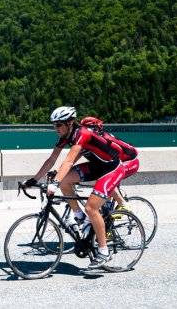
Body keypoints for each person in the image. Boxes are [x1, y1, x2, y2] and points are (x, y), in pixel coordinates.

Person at [24, 106, 125, 269]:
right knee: (65, 181)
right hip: (95, 166)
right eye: (54, 125)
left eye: (59, 125)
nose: (56, 128)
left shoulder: (81, 134)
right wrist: (33, 180)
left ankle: (104, 252)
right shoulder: (65, 136)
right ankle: (80, 217)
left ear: (70, 122)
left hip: (111, 168)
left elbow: (69, 161)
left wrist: (54, 183)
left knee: (92, 208)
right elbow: (51, 160)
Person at [80, 116, 139, 212]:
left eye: (86, 128)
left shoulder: (105, 139)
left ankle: (123, 203)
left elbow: (117, 154)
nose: (83, 130)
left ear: (96, 128)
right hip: (117, 163)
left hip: (130, 161)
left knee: (107, 176)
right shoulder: (88, 138)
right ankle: (107, 214)